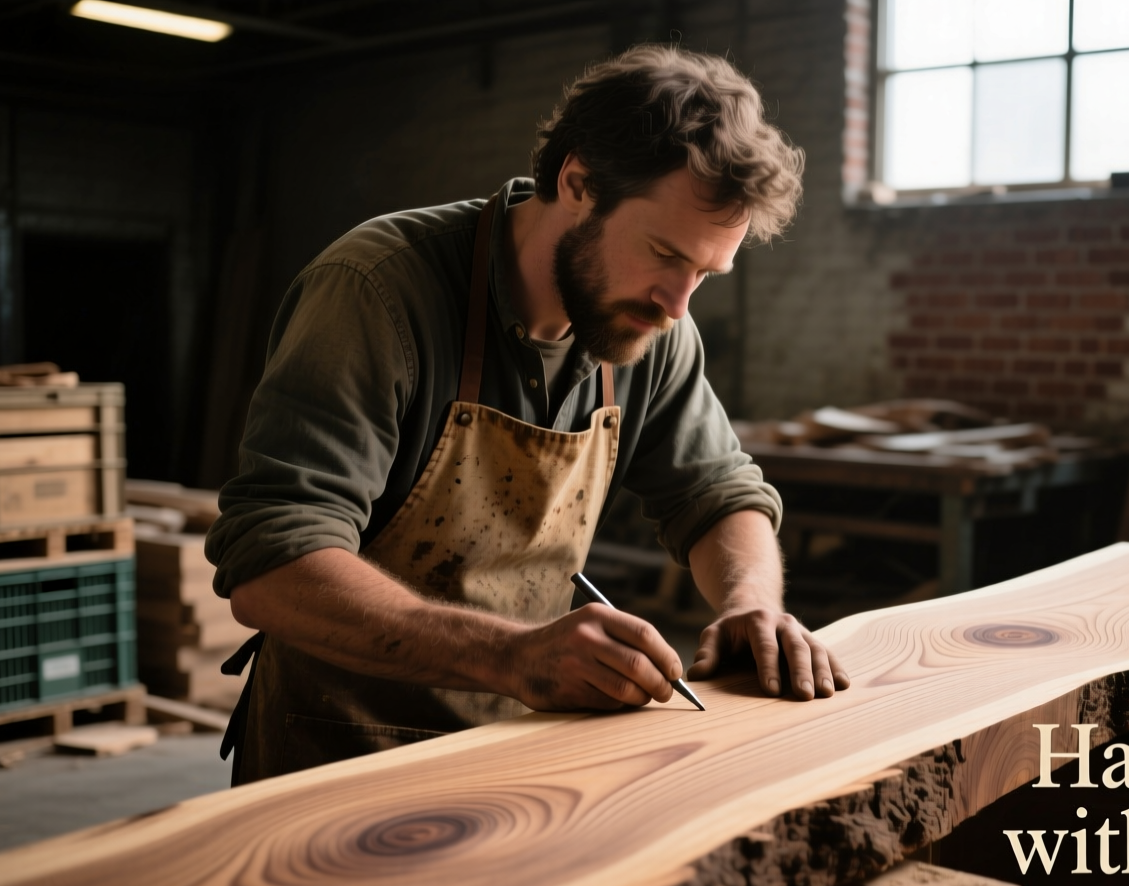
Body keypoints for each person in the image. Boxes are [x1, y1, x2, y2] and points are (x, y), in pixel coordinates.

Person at [205, 45, 849, 785]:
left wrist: (751, 604)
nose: (676, 305)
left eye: (704, 274)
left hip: (519, 749)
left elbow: (718, 495)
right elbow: (273, 568)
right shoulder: (377, 291)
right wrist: (511, 656)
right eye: (664, 253)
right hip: (335, 755)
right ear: (577, 183)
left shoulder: (649, 328)